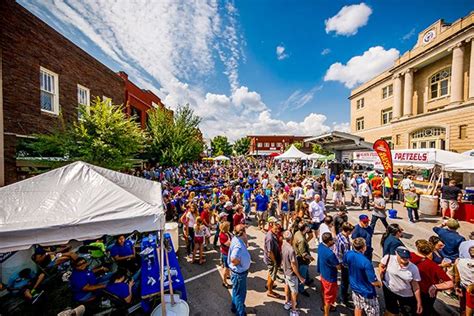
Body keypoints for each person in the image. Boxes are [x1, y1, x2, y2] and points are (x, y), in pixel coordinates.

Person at [410, 239, 453, 315]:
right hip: (426, 292)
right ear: (430, 252)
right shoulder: (432, 265)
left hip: (410, 288)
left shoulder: (409, 256)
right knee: (425, 310)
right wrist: (435, 286)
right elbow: (450, 283)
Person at [343, 238, 382, 316]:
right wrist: (380, 284)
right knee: (373, 312)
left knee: (358, 307)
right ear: (363, 248)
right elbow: (373, 282)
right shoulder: (366, 262)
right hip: (367, 291)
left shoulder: (348, 254)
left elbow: (345, 264)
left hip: (354, 287)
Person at [379, 246, 422, 315]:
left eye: (407, 257)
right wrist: (381, 276)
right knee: (391, 311)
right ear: (396, 254)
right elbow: (381, 265)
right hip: (389, 290)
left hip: (405, 295)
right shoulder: (388, 258)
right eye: (402, 257)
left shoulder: (413, 268)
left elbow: (416, 286)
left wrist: (419, 302)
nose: (405, 259)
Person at [228, 224, 251, 316]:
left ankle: (234, 307)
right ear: (243, 233)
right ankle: (240, 313)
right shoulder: (238, 245)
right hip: (239, 274)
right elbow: (233, 259)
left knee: (235, 291)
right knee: (240, 295)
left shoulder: (236, 238)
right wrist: (239, 263)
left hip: (237, 273)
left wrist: (245, 239)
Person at [281, 230, 305, 316]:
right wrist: (300, 277)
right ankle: (293, 310)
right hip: (291, 273)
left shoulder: (283, 245)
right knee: (294, 292)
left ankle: (287, 303)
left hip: (285, 271)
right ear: (291, 238)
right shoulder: (291, 250)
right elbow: (294, 265)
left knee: (287, 285)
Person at [317, 232, 341, 316]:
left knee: (324, 291)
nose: (333, 242)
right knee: (329, 297)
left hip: (323, 274)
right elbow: (338, 267)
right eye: (331, 240)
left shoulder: (320, 246)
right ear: (329, 241)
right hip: (330, 277)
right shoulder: (330, 254)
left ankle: (325, 306)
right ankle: (326, 313)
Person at [336, 222, 354, 307]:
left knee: (344, 281)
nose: (351, 233)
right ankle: (344, 299)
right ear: (347, 231)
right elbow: (346, 255)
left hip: (340, 261)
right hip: (345, 264)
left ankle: (344, 295)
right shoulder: (345, 243)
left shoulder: (339, 235)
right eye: (351, 232)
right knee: (345, 282)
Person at [293, 221, 314, 297]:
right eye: (307, 226)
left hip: (298, 256)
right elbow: (303, 254)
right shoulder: (301, 240)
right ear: (305, 228)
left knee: (306, 272)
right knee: (302, 275)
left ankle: (307, 281)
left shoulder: (298, 232)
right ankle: (301, 289)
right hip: (302, 260)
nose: (309, 228)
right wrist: (310, 258)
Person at [264, 220, 283, 299]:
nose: (277, 230)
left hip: (273, 258)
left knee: (271, 273)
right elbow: (270, 252)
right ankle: (270, 291)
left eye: (279, 229)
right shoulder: (270, 238)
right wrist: (275, 262)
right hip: (272, 260)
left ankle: (269, 285)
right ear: (272, 226)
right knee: (272, 276)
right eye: (276, 228)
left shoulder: (273, 233)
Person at [454, 246, 474, 316]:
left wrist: (456, 286)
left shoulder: (459, 261)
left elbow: (457, 277)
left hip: (463, 287)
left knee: (463, 309)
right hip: (472, 290)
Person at [219, 221, 232, 288]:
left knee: (228, 267)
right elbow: (230, 244)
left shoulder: (226, 233)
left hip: (228, 253)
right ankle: (224, 282)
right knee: (226, 268)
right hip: (226, 254)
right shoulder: (223, 236)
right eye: (228, 226)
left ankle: (228, 275)